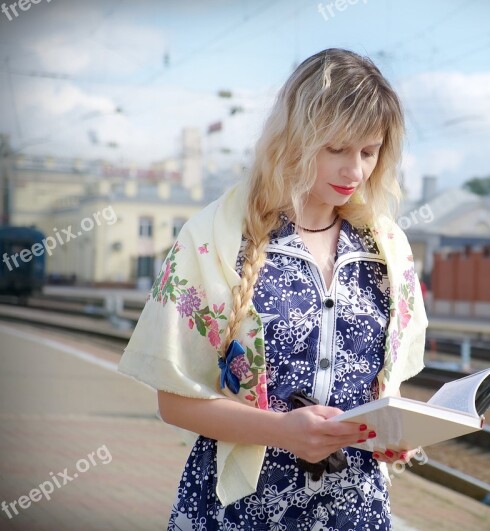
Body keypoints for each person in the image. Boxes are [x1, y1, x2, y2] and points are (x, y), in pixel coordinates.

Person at [117, 48, 429, 530]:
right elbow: (173, 399)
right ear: (296, 138)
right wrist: (282, 432)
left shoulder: (388, 250)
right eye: (337, 149)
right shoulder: (214, 240)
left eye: (369, 152)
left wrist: (402, 430)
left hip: (355, 512)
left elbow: (385, 390)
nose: (356, 171)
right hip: (242, 510)